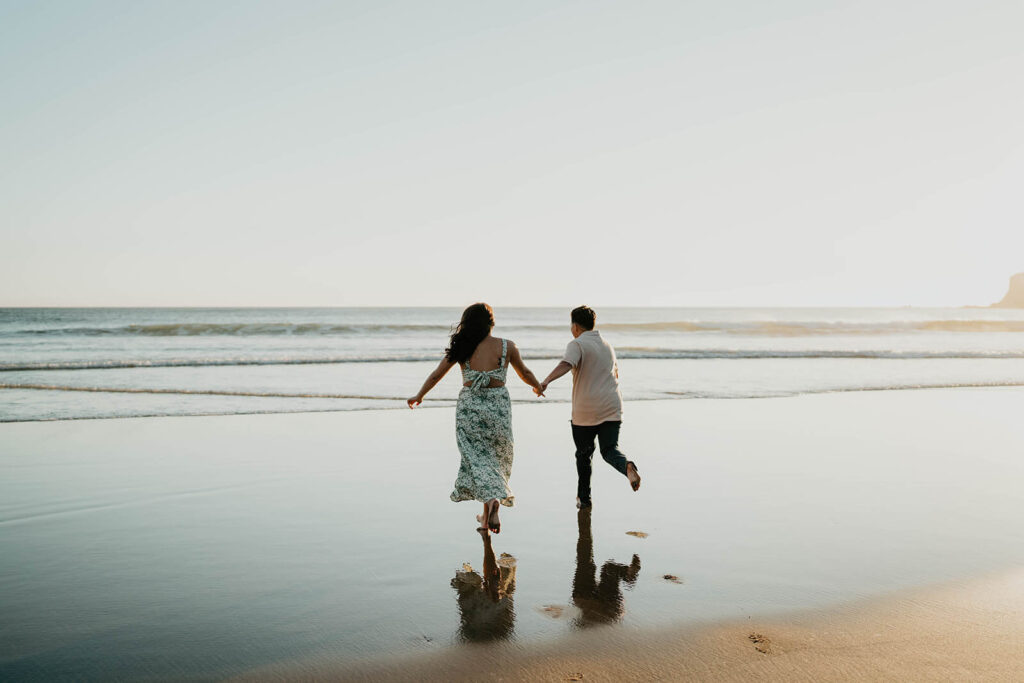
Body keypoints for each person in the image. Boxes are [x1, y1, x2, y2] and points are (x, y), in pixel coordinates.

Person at [408, 303, 544, 533]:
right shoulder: (507, 346)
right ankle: (489, 508)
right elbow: (525, 372)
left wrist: (420, 395)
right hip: (498, 407)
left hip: (470, 407)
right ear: (492, 323)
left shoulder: (463, 346)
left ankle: (489, 505)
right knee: (496, 457)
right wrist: (538, 386)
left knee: (477, 458)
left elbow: (436, 375)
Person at [540, 306, 641, 509]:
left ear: (575, 325)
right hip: (612, 405)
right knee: (610, 449)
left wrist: (546, 381)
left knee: (584, 454)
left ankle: (584, 499)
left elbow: (566, 364)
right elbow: (616, 375)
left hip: (586, 409)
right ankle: (627, 466)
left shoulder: (576, 344)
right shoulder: (607, 345)